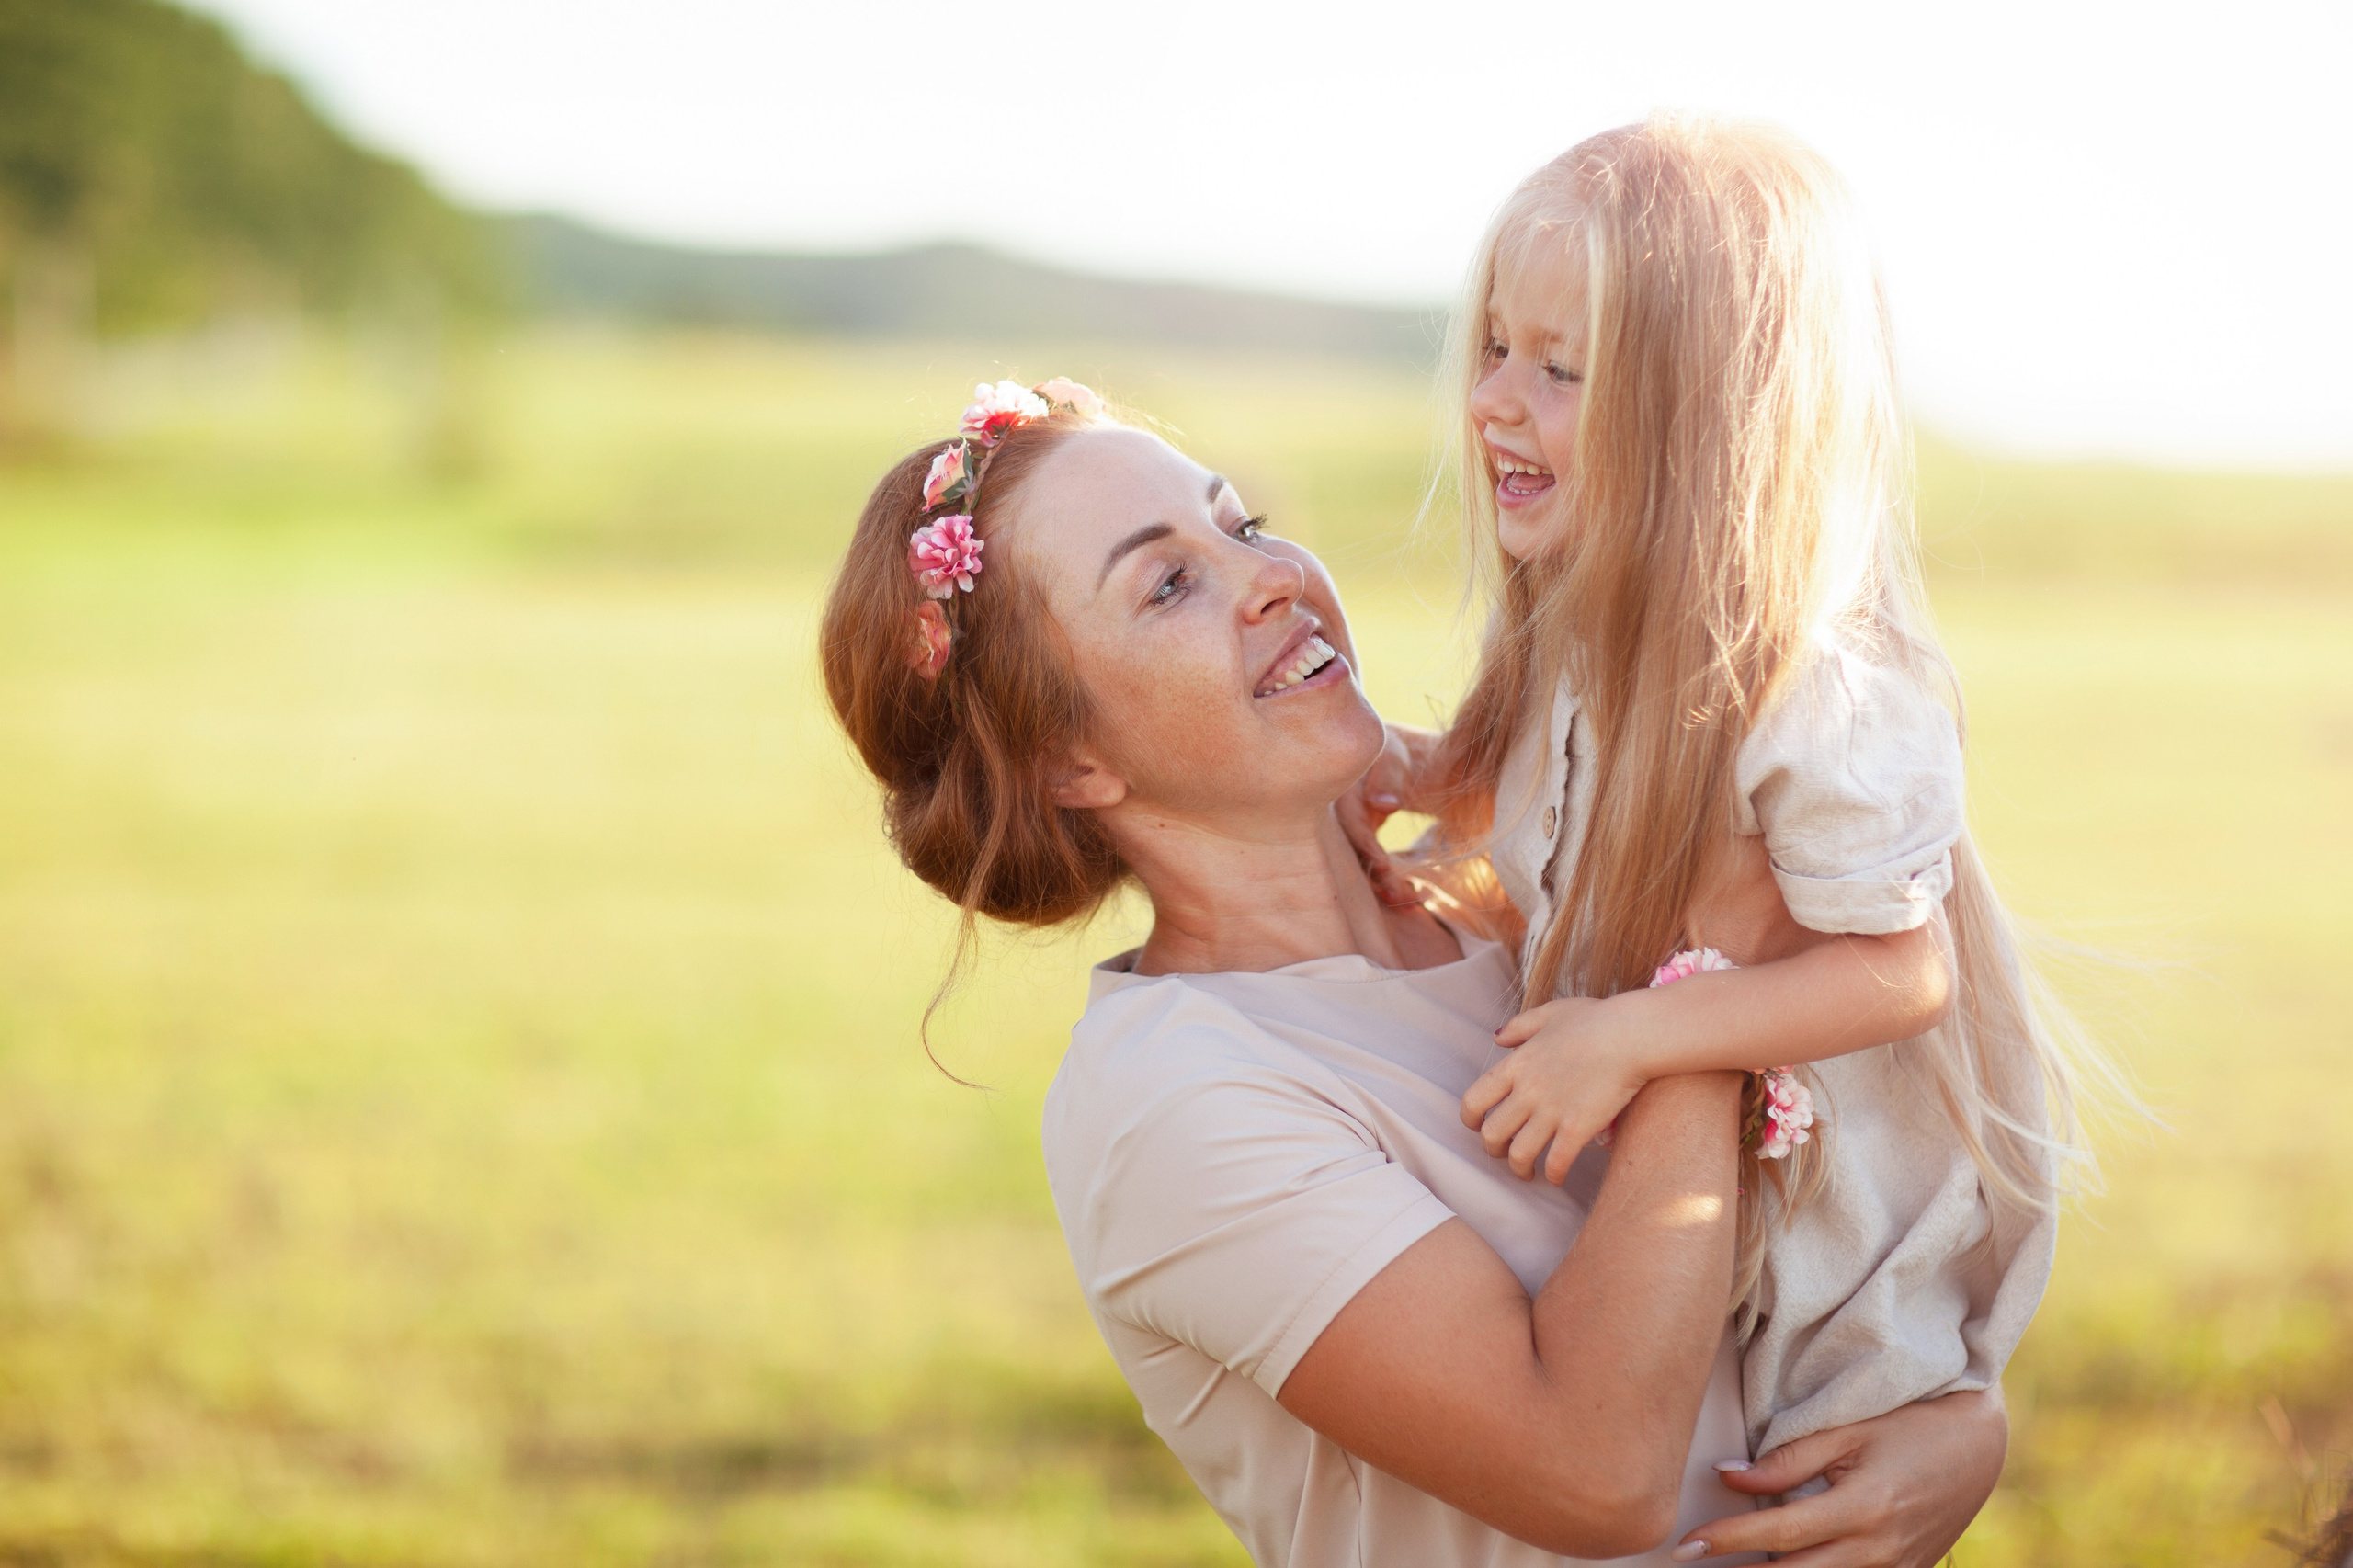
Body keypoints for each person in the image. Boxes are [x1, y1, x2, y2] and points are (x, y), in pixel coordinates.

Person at [821, 376, 2010, 1564]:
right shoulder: (1172, 1101)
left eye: (1240, 525)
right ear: (1068, 762)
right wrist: (1704, 984)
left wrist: (1957, 1424)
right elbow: (1600, 1475)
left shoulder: (1525, 901)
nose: (1274, 576)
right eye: (1170, 583)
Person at [1341, 116, 2120, 1463]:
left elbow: (1898, 974)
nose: (1493, 401)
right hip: (1679, 1229)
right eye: (1495, 348)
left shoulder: (1813, 693)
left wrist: (1635, 1037)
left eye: (1561, 367)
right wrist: (1416, 770)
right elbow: (1538, 794)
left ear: (1707, 422)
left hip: (1832, 1292)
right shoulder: (1582, 619)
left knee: (1787, 1508)